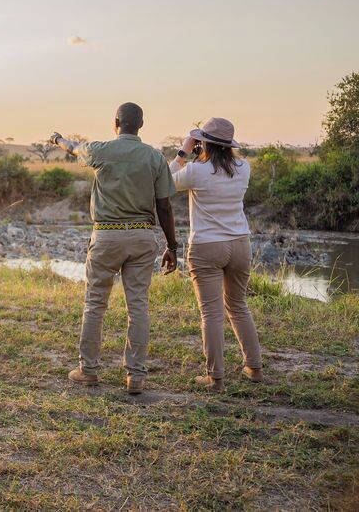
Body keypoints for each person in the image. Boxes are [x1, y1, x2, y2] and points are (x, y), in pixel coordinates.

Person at [50, 102, 178, 395]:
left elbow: (72, 147)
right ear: (141, 124)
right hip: (143, 237)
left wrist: (57, 140)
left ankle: (88, 370)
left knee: (95, 303)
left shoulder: (99, 150)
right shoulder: (155, 157)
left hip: (106, 236)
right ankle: (135, 376)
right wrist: (172, 246)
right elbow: (164, 206)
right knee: (138, 306)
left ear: (115, 122)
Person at [168, 117, 262, 391]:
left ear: (203, 142)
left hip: (207, 245)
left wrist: (184, 152)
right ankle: (254, 367)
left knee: (211, 312)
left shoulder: (197, 171)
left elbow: (162, 182)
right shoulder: (245, 168)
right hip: (239, 243)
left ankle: (215, 377)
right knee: (238, 305)